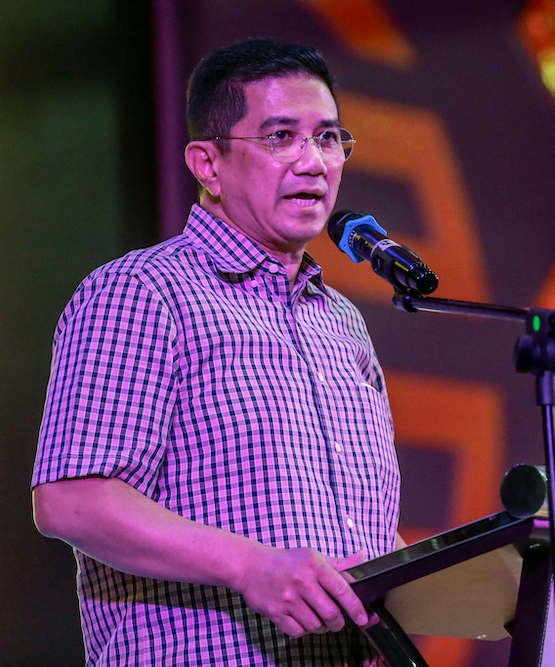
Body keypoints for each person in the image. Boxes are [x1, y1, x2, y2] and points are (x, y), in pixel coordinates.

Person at [31, 38, 400, 666]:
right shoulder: (142, 293)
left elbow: (369, 534)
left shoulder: (341, 323)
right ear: (208, 164)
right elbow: (71, 499)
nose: (314, 162)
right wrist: (250, 566)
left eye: (330, 138)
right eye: (282, 136)